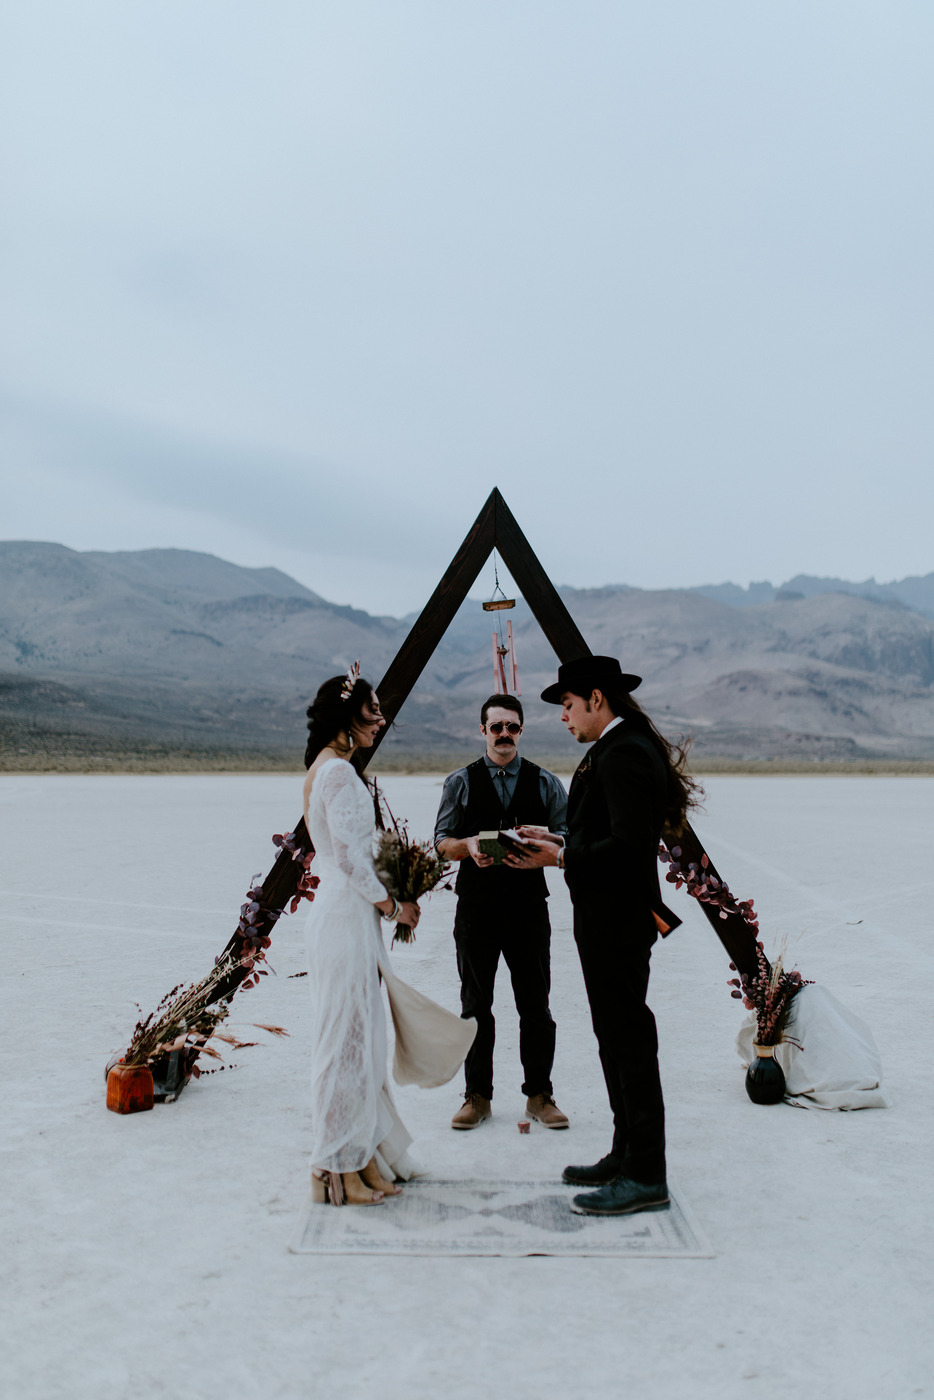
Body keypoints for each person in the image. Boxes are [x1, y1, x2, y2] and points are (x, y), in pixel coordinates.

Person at [507, 656, 698, 1216]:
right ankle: (625, 1153)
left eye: (567, 705)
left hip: (616, 920)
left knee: (629, 1042)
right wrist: (556, 835)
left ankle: (646, 1175)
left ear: (596, 698)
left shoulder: (625, 754)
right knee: (614, 1039)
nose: (563, 716)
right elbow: (608, 832)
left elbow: (627, 849)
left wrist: (560, 854)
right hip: (605, 919)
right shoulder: (619, 748)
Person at [302, 664, 475, 1206]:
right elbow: (353, 860)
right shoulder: (338, 775)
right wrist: (397, 905)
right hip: (347, 915)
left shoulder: (323, 768)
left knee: (361, 1042)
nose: (379, 724)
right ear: (348, 719)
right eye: (372, 715)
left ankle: (365, 1158)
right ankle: (335, 1168)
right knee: (345, 1045)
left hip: (344, 915)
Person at [434, 693, 570, 1130]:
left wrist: (547, 842)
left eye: (513, 727)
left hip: (530, 908)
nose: (505, 735)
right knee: (475, 1005)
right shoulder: (461, 782)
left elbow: (571, 834)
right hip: (476, 909)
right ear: (483, 731)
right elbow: (441, 844)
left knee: (536, 1006)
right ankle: (477, 1097)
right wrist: (469, 846)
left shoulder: (545, 782)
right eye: (497, 727)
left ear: (522, 730)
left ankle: (539, 1094)